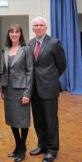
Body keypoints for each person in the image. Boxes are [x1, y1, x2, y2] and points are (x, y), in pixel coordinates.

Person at [29, 16, 66, 162]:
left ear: (45, 27)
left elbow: (62, 65)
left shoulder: (54, 43)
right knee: (38, 119)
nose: (38, 28)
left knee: (51, 120)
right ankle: (42, 145)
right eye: (35, 25)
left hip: (49, 88)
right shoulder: (30, 43)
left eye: (41, 25)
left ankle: (52, 149)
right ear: (33, 28)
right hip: (34, 88)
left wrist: (51, 78)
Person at [1, 23, 33, 162]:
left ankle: (22, 148)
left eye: (17, 32)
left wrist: (27, 93)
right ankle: (18, 146)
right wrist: (2, 88)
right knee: (12, 119)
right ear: (9, 34)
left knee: (23, 121)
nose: (14, 34)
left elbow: (30, 71)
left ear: (20, 34)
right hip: (8, 90)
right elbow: (4, 71)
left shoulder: (26, 49)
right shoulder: (6, 50)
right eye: (11, 32)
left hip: (21, 90)